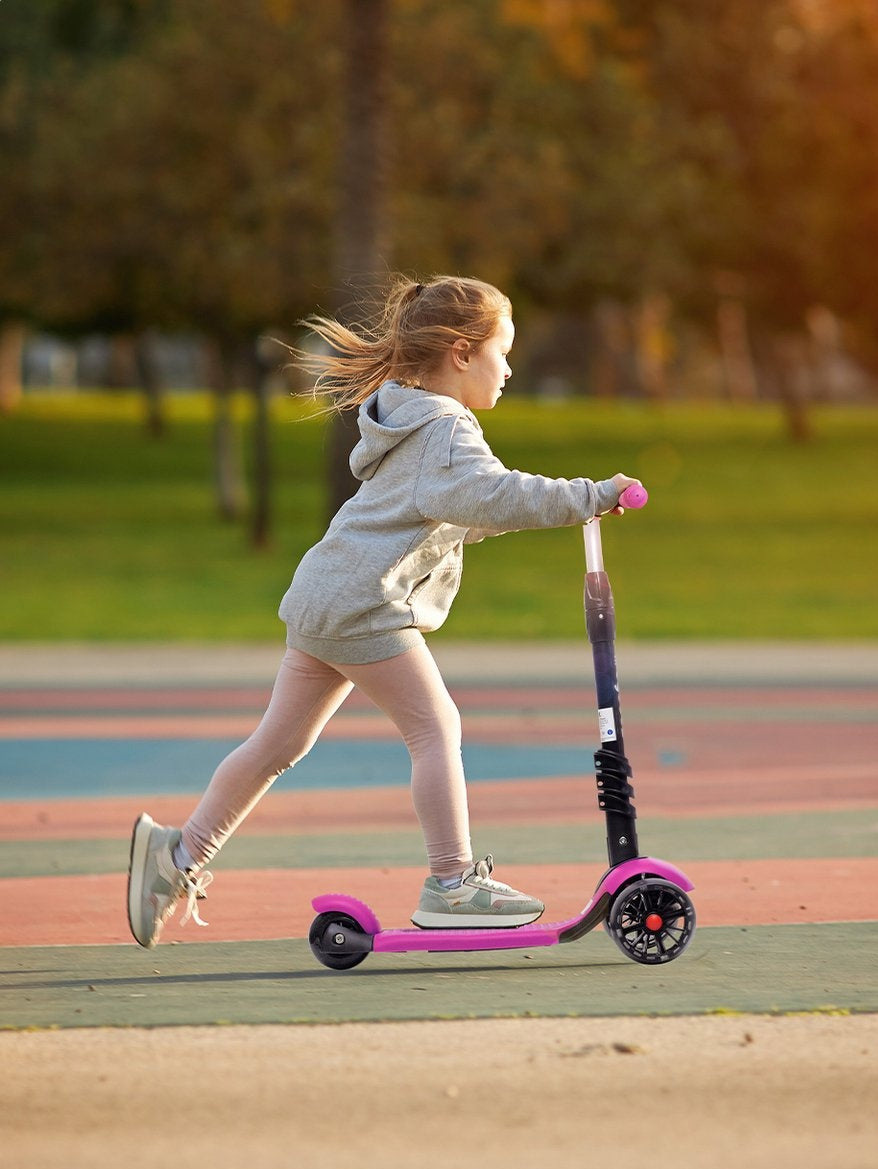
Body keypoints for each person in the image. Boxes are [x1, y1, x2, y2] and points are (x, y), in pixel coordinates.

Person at [127, 274, 640, 949]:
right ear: (461, 351)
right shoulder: (446, 429)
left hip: (325, 598)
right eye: (502, 352)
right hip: (363, 607)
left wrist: (533, 509)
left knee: (278, 745)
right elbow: (492, 496)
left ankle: (178, 857)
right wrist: (592, 494)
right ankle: (453, 883)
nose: (509, 368)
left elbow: (455, 509)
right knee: (436, 727)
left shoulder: (408, 415)